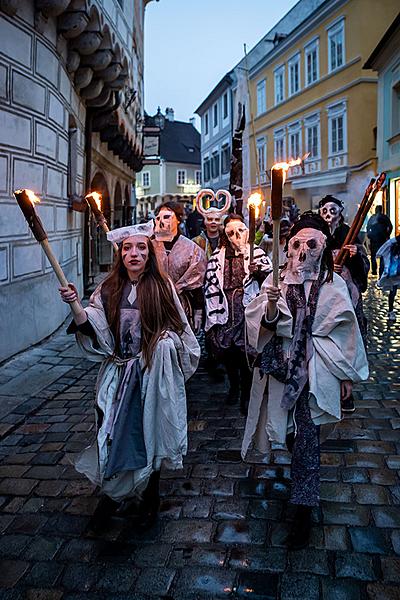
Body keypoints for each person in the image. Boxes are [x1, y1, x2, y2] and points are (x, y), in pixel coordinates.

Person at [59, 222, 200, 533]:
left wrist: (165, 345)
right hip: (119, 376)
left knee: (151, 435)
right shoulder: (108, 290)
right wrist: (74, 304)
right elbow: (92, 326)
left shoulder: (163, 289)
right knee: (111, 435)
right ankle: (112, 497)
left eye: (141, 248)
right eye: (127, 249)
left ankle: (150, 496)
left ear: (150, 254)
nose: (134, 253)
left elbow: (183, 335)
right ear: (120, 254)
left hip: (151, 376)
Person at [242, 212, 368, 549]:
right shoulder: (277, 280)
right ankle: (299, 476)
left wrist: (345, 376)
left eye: (312, 244)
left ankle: (303, 505)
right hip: (283, 370)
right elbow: (262, 325)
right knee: (289, 434)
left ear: (323, 247)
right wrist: (269, 310)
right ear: (287, 247)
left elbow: (346, 330)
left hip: (319, 370)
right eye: (296, 243)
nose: (303, 250)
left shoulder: (334, 284)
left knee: (309, 440)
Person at [204, 214, 272, 416]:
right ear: (225, 235)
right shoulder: (218, 256)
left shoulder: (256, 252)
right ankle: (233, 386)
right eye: (231, 233)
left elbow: (270, 280)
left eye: (240, 231)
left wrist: (257, 271)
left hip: (247, 311)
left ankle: (245, 393)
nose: (236, 236)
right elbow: (210, 283)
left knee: (246, 354)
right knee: (228, 353)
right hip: (225, 311)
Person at [319, 195, 369, 412]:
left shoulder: (350, 233)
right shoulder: (317, 234)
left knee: (349, 340)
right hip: (324, 296)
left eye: (333, 210)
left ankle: (347, 391)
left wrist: (356, 256)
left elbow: (364, 267)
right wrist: (327, 267)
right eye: (325, 210)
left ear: (340, 212)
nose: (329, 215)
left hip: (348, 295)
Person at [152, 201, 207, 332]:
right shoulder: (149, 246)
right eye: (158, 218)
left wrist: (198, 310)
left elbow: (196, 283)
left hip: (180, 307)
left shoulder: (191, 249)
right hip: (153, 304)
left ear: (178, 220)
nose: (161, 221)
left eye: (167, 217)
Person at [192, 188, 230, 259]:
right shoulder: (195, 242)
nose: (213, 222)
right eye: (210, 219)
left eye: (217, 219)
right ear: (204, 221)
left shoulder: (227, 240)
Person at [377, 234, 400, 321]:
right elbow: (379, 253)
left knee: (392, 292)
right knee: (392, 292)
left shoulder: (392, 244)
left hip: (394, 274)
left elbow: (379, 253)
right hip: (394, 273)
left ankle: (391, 311)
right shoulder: (393, 244)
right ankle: (390, 311)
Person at [367, 205, 393, 275]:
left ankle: (374, 270)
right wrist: (387, 235)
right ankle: (380, 272)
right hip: (382, 238)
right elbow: (390, 226)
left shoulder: (372, 218)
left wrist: (369, 235)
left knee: (373, 255)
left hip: (374, 239)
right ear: (381, 210)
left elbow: (368, 227)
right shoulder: (384, 217)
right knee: (382, 256)